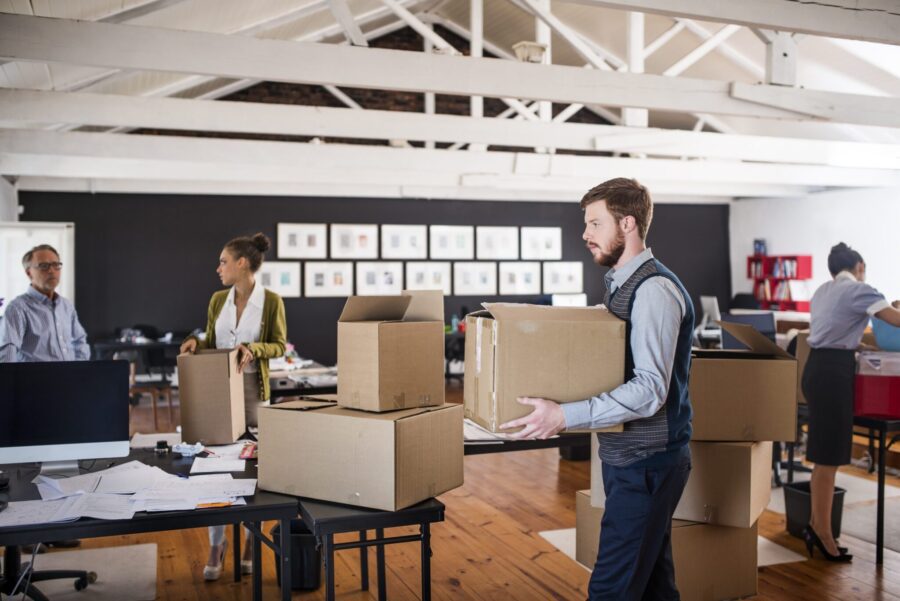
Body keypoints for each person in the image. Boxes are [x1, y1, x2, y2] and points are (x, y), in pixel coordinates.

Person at [500, 178, 694, 600]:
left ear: (627, 224)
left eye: (594, 223)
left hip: (648, 462)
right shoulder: (622, 285)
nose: (585, 234)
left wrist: (564, 414)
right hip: (633, 459)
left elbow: (649, 391)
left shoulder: (653, 291)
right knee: (654, 585)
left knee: (611, 589)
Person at [179, 232, 287, 580]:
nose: (218, 268)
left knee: (254, 468)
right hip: (217, 390)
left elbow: (279, 345)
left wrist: (253, 349)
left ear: (242, 264)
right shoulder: (217, 300)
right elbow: (212, 338)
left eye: (224, 261)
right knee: (214, 466)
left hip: (254, 391)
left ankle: (250, 538)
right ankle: (217, 542)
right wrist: (197, 342)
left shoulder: (271, 302)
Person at [801, 243, 900, 562]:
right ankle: (824, 534)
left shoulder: (823, 291)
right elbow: (894, 320)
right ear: (859, 265)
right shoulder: (860, 289)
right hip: (834, 375)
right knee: (828, 457)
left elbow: (830, 333)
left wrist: (856, 345)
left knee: (821, 455)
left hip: (816, 368)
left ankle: (818, 527)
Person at [0, 244, 90, 363]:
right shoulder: (17, 309)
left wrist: (80, 373)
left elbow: (79, 341)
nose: (51, 270)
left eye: (56, 265)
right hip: (35, 381)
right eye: (43, 266)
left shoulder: (66, 306)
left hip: (70, 379)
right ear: (29, 273)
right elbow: (8, 352)